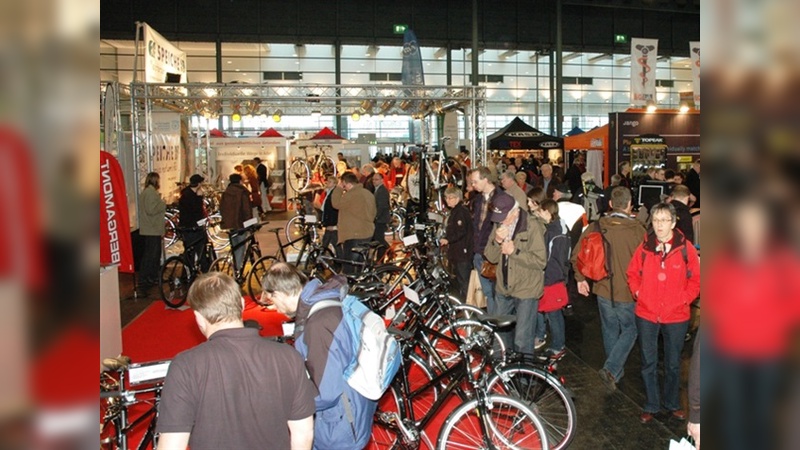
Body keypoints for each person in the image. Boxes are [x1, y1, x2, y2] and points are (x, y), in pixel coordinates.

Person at [156, 272, 316, 450]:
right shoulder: (289, 357)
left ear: (199, 318)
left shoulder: (185, 366)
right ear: (241, 305)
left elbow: (171, 445)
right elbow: (304, 433)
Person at [261, 264, 377, 450]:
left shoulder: (319, 323)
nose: (274, 307)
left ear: (280, 293)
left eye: (271, 299)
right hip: (351, 409)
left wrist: (286, 403)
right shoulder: (324, 302)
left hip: (338, 426)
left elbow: (325, 392)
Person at [626, 202, 700, 424]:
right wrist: (639, 292)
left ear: (674, 222)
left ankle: (672, 403)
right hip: (647, 314)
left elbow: (696, 280)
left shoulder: (685, 248)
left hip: (676, 316)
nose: (659, 225)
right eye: (656, 220)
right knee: (648, 362)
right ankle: (651, 404)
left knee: (673, 362)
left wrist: (683, 300)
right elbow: (632, 273)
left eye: (664, 220)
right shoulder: (645, 246)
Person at [571, 186, 646, 391]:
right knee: (631, 329)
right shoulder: (639, 230)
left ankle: (615, 373)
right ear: (630, 205)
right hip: (628, 291)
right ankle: (612, 368)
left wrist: (580, 279)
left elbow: (576, 254)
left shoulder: (596, 226)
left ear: (611, 204)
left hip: (602, 288)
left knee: (610, 329)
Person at [484, 192, 547, 355]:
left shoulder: (532, 226)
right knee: (499, 335)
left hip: (526, 289)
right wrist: (497, 241)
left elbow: (541, 261)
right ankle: (501, 374)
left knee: (522, 339)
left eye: (505, 217)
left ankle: (524, 378)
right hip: (503, 287)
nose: (501, 221)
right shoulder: (499, 225)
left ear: (515, 211)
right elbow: (490, 256)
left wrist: (514, 252)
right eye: (499, 218)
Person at [469, 167, 510, 315]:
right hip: (479, 252)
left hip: (493, 253)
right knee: (488, 293)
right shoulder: (478, 199)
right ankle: (493, 324)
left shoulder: (502, 199)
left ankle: (497, 326)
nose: (473, 185)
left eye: (475, 181)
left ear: (485, 179)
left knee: (496, 293)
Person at [535, 199, 571, 360]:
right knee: (551, 313)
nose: (538, 214)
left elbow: (552, 258)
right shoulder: (555, 229)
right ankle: (556, 343)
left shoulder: (555, 233)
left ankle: (558, 345)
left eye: (541, 211)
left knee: (554, 314)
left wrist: (548, 276)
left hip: (552, 278)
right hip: (552, 277)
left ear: (548, 212)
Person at [331, 171, 376, 273]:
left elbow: (336, 203)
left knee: (349, 266)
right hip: (367, 232)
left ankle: (350, 287)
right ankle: (361, 286)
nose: (344, 188)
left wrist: (338, 188)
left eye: (344, 185)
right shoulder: (368, 193)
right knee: (361, 264)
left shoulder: (351, 195)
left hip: (354, 235)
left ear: (347, 184)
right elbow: (374, 212)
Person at [440, 186, 474, 300]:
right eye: (447, 198)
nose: (448, 200)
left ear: (458, 198)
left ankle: (467, 304)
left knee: (464, 279)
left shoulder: (460, 212)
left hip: (462, 252)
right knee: (460, 278)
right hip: (458, 251)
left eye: (451, 198)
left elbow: (461, 231)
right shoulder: (456, 211)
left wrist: (448, 240)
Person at [137, 172, 166, 295]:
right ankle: (147, 278)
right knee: (151, 255)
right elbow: (151, 210)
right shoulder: (150, 193)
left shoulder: (147, 192)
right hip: (152, 229)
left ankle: (150, 277)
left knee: (151, 255)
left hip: (151, 228)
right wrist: (162, 203)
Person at [220, 173, 252, 271]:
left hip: (230, 225)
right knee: (241, 247)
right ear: (240, 181)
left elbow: (222, 208)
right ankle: (237, 270)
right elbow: (246, 210)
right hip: (241, 223)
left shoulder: (226, 192)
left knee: (234, 247)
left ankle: (234, 267)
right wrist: (250, 223)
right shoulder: (242, 192)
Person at [178, 174, 210, 271]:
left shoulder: (185, 193)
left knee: (191, 252)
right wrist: (199, 198)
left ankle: (189, 273)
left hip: (188, 227)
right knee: (198, 249)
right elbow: (196, 212)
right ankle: (203, 271)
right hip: (192, 228)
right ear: (199, 184)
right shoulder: (191, 196)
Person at [316, 175, 339, 255]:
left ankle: (321, 257)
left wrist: (331, 224)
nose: (327, 183)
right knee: (330, 242)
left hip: (331, 223)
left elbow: (333, 210)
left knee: (331, 242)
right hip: (329, 222)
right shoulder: (329, 192)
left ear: (334, 184)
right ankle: (321, 257)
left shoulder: (333, 194)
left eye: (330, 182)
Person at [371, 172, 390, 260]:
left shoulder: (382, 191)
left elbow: (381, 206)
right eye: (373, 179)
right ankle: (383, 256)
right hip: (380, 219)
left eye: (376, 179)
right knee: (379, 239)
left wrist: (375, 217)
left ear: (382, 180)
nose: (374, 181)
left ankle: (385, 254)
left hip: (381, 220)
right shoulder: (378, 190)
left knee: (379, 239)